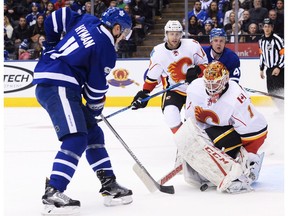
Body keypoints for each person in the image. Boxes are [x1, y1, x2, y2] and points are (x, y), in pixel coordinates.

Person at [33, 7, 133, 215]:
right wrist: (95, 109)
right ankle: (54, 192)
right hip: (59, 85)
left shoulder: (88, 20)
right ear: (116, 28)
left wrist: (50, 44)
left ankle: (109, 185)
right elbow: (95, 90)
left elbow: (55, 17)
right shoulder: (106, 47)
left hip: (58, 82)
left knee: (93, 132)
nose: (123, 37)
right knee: (77, 138)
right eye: (123, 32)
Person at [183, 61, 268, 193]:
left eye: (216, 83)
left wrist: (246, 156)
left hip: (252, 132)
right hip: (217, 126)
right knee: (198, 142)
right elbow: (190, 121)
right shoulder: (195, 88)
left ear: (225, 80)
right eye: (208, 83)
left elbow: (255, 133)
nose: (212, 88)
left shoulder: (235, 100)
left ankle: (251, 166)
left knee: (217, 142)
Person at [130, 20, 208, 134]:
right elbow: (152, 77)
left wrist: (197, 70)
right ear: (166, 34)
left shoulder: (192, 45)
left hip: (194, 90)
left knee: (194, 120)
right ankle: (184, 140)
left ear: (181, 34)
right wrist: (144, 92)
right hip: (173, 90)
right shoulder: (158, 52)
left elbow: (206, 66)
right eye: (171, 33)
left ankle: (199, 139)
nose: (174, 37)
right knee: (170, 114)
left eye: (177, 33)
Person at [259, 18, 284, 111]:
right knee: (271, 92)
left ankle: (284, 110)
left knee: (280, 91)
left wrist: (278, 67)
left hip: (279, 70)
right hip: (269, 70)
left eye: (269, 26)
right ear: (263, 28)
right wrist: (261, 69)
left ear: (272, 28)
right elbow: (261, 54)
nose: (267, 29)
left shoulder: (277, 39)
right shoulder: (261, 41)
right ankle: (281, 110)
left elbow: (284, 54)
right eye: (265, 27)